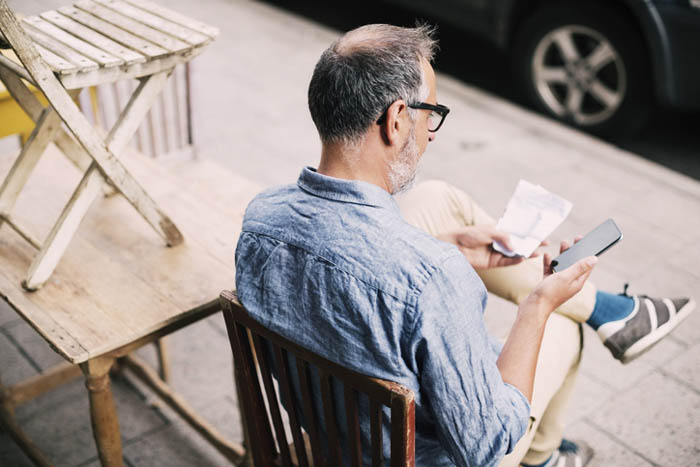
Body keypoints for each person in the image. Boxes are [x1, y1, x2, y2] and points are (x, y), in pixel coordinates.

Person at [234, 24, 694, 466]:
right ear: (396, 120)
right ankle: (542, 457)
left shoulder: (259, 217)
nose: (431, 132)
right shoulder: (433, 279)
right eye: (430, 112)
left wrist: (445, 249)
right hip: (426, 457)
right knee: (563, 325)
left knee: (437, 197)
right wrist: (537, 306)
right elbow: (483, 446)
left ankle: (604, 320)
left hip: (335, 435)